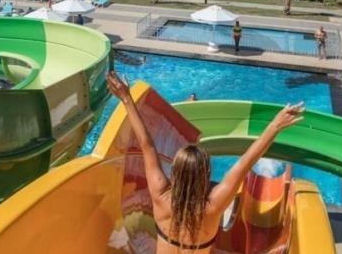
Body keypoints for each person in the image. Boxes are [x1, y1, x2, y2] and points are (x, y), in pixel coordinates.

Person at [106, 71, 304, 253]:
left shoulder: (160, 195)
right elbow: (245, 162)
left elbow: (147, 145)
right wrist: (275, 125)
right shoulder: (213, 206)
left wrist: (126, 98)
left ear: (175, 171)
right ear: (205, 174)